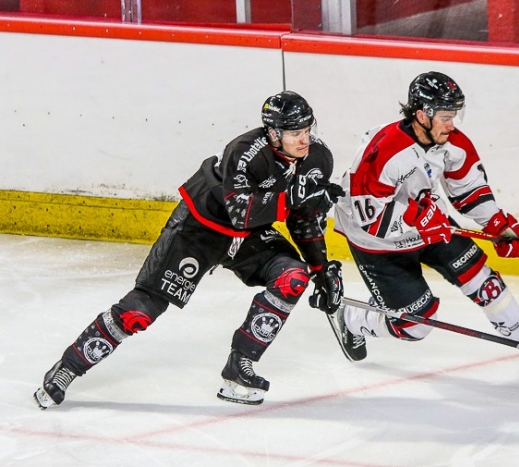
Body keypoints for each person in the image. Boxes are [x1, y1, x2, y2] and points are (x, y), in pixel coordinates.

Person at [34, 91, 345, 409]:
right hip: (199, 229)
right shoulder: (246, 151)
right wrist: (293, 196)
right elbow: (241, 212)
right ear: (273, 132)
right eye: (295, 132)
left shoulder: (318, 158)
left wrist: (320, 268)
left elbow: (303, 220)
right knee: (140, 311)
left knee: (292, 277)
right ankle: (68, 367)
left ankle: (239, 368)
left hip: (247, 236)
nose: (304, 139)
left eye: (307, 129)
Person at [325, 71, 519, 363]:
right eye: (445, 117)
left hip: (430, 224)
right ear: (422, 115)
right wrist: (415, 219)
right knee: (416, 325)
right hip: (376, 242)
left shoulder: (453, 142)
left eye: (454, 116)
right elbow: (368, 218)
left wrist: (498, 225)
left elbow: (469, 189)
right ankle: (353, 318)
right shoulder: (384, 150)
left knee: (483, 280)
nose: (452, 124)